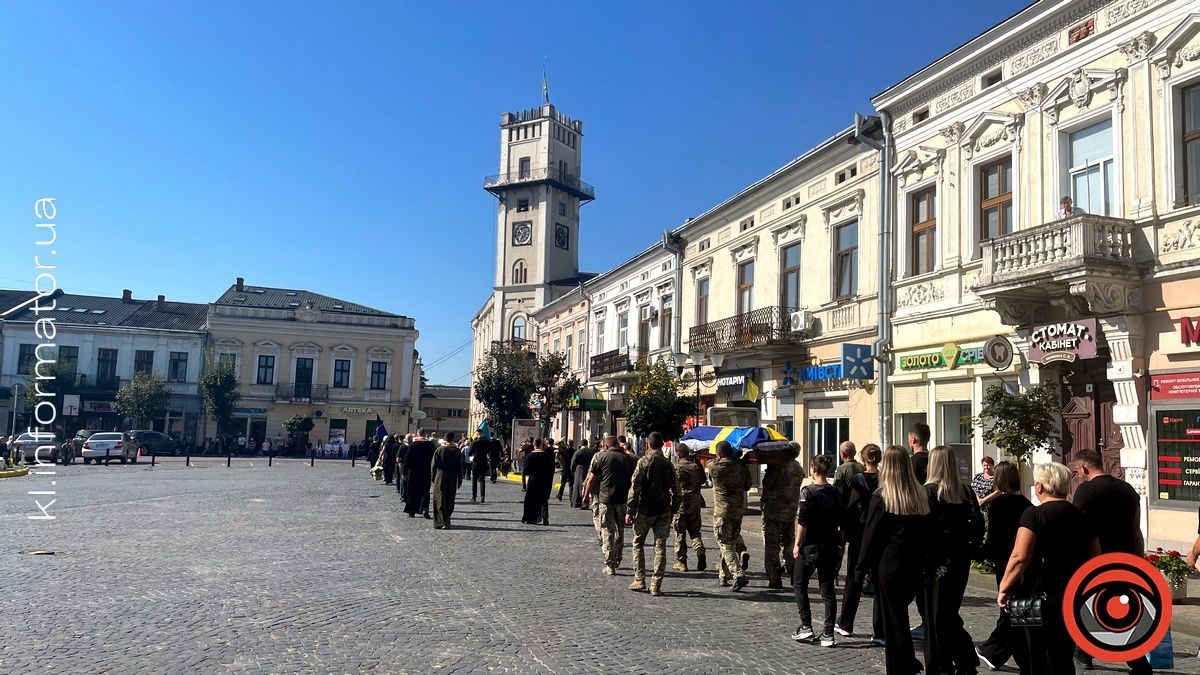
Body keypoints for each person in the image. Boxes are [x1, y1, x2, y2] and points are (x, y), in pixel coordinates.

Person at [998, 463, 1099, 675]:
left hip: (1032, 595)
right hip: (1071, 595)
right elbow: (1095, 558)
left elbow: (1019, 557)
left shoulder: (1033, 514)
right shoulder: (1083, 517)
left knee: (1032, 652)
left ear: (1040, 487)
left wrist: (1005, 587)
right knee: (1063, 653)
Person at [1071, 450, 1152, 675]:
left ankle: (1135, 660)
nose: (1078, 475)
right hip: (1126, 557)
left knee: (1102, 609)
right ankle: (1086, 652)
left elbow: (1079, 529)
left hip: (1097, 558)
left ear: (1084, 468)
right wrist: (1140, 558)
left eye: (1077, 471)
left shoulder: (1086, 490)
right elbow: (1137, 529)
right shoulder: (1127, 489)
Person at [857, 445, 932, 675]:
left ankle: (900, 666)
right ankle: (908, 661)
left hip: (890, 565)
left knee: (893, 619)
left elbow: (871, 536)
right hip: (915, 564)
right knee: (900, 615)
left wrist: (860, 568)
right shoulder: (920, 495)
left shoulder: (883, 497)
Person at [922, 446, 984, 675]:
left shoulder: (930, 492)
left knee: (936, 613)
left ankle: (943, 663)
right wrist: (969, 547)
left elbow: (923, 529)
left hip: (936, 561)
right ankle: (963, 656)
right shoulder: (965, 492)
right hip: (960, 559)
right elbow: (978, 525)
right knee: (948, 611)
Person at [974, 460, 1033, 673]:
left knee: (1009, 607)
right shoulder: (1027, 504)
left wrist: (980, 554)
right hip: (1025, 562)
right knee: (1017, 607)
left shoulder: (999, 505)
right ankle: (999, 652)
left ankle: (993, 651)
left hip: (1005, 562)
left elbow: (994, 538)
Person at [791, 453, 841, 648]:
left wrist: (797, 543)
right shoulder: (835, 492)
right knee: (827, 589)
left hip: (810, 544)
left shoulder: (807, 492)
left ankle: (806, 625)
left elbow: (802, 521)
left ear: (813, 469)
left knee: (799, 584)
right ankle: (828, 632)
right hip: (829, 544)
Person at [626, 432, 680, 596]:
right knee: (660, 546)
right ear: (662, 445)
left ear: (648, 444)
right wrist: (674, 510)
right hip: (663, 509)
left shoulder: (644, 462)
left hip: (645, 509)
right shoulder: (668, 464)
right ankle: (656, 584)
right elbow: (678, 491)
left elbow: (634, 488)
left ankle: (639, 578)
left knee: (637, 543)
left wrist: (630, 510)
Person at [838, 443, 882, 640]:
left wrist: (844, 530)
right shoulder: (884, 479)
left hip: (860, 532)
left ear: (863, 460)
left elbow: (850, 506)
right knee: (879, 581)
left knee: (854, 577)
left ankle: (846, 622)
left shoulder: (858, 479)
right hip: (880, 532)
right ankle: (880, 629)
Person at [581, 434, 636, 575]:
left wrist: (586, 495)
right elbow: (634, 480)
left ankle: (610, 564)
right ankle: (618, 557)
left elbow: (591, 479)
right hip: (622, 499)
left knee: (607, 530)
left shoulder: (601, 457)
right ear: (618, 445)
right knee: (620, 530)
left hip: (606, 499)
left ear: (605, 446)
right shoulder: (628, 459)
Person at [709, 441, 751, 591]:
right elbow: (747, 486)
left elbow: (710, 471)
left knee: (725, 543)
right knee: (730, 542)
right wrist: (741, 463)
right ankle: (723, 575)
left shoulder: (714, 466)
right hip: (737, 511)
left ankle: (738, 574)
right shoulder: (741, 468)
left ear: (719, 453)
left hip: (722, 512)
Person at [760, 444, 804, 588]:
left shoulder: (777, 467)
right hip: (790, 512)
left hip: (774, 511)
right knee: (789, 544)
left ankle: (774, 578)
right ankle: (793, 572)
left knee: (772, 546)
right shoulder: (799, 469)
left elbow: (766, 485)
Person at [672, 442, 707, 572]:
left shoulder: (676, 468)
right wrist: (697, 462)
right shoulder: (695, 467)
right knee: (695, 531)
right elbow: (703, 479)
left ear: (677, 454)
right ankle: (699, 549)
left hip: (680, 505)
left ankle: (682, 562)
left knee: (680, 533)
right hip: (695, 503)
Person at [430, 432, 463, 530]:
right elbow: (460, 467)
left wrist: (433, 477)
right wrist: (460, 480)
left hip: (440, 476)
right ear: (453, 439)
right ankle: (446, 520)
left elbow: (433, 465)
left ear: (445, 438)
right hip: (452, 477)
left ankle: (442, 522)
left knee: (440, 499)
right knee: (449, 499)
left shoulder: (439, 450)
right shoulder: (457, 451)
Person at [522, 438, 556, 525]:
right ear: (540, 444)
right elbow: (550, 469)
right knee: (543, 499)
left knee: (530, 499)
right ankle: (545, 518)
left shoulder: (529, 456)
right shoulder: (546, 456)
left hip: (533, 479)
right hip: (543, 480)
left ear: (534, 445)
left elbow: (525, 470)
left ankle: (529, 518)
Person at [403, 433, 436, 519]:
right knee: (425, 492)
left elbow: (408, 459)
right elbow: (434, 459)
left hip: (413, 472)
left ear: (418, 434)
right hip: (426, 471)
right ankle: (425, 509)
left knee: (412, 491)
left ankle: (412, 511)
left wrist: (404, 472)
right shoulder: (430, 445)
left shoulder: (413, 445)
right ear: (424, 435)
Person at [569, 439, 595, 509]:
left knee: (578, 487)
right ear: (587, 444)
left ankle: (576, 503)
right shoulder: (591, 452)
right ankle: (585, 503)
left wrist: (572, 470)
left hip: (579, 469)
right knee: (587, 486)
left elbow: (573, 462)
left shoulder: (578, 452)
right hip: (589, 469)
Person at [469, 433, 491, 503]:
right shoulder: (487, 442)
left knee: (474, 480)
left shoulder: (475, 442)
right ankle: (482, 496)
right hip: (483, 461)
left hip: (475, 462)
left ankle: (474, 496)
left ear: (478, 434)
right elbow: (489, 451)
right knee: (482, 479)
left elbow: (470, 452)